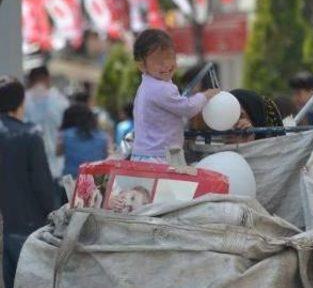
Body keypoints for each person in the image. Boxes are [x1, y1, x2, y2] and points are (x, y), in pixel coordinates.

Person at [0, 76, 55, 288]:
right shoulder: (31, 135)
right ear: (20, 104)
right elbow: (42, 185)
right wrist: (54, 215)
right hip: (27, 229)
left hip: (5, 227)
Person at [131, 29, 218, 162]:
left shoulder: (146, 85)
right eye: (159, 61)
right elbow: (187, 109)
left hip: (144, 155)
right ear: (142, 65)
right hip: (159, 157)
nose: (166, 64)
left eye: (170, 57)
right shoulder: (160, 88)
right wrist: (205, 96)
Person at [24, 65, 70, 179]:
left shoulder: (22, 101)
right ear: (48, 79)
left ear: (30, 80)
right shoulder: (60, 100)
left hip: (29, 166)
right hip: (56, 167)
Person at [57, 103, 110, 178]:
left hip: (71, 179)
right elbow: (107, 155)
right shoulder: (103, 137)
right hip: (95, 180)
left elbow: (58, 153)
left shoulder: (65, 135)